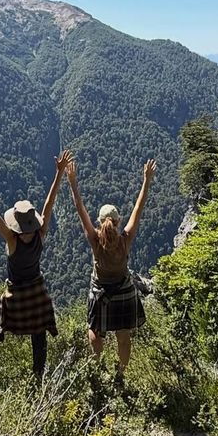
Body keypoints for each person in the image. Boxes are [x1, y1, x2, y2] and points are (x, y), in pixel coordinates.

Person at [0, 150, 71, 381]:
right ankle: (38, 376)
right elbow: (50, 202)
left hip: (16, 294)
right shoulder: (41, 233)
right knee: (38, 333)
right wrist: (59, 173)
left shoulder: (12, 240)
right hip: (37, 292)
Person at [66, 158, 157, 376]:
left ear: (99, 222)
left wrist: (72, 182)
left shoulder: (95, 240)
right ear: (117, 222)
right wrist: (147, 180)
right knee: (123, 337)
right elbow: (139, 206)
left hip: (100, 293)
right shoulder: (125, 239)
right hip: (124, 292)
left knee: (96, 332)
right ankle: (120, 375)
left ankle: (96, 373)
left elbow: (80, 208)